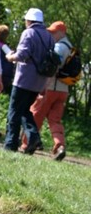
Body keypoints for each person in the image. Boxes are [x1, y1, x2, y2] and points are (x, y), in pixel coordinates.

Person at [4, 8, 54, 153]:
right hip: (39, 81)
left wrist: (10, 57)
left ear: (29, 20)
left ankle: (10, 144)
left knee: (14, 112)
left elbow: (22, 54)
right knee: (25, 110)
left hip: (24, 80)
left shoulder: (29, 33)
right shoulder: (49, 36)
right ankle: (34, 137)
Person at [21, 21, 72, 160]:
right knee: (55, 120)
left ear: (62, 32)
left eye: (54, 32)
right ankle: (59, 146)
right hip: (63, 91)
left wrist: (43, 86)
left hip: (50, 88)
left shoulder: (59, 48)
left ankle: (26, 144)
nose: (52, 34)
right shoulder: (71, 48)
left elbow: (52, 67)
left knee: (36, 114)